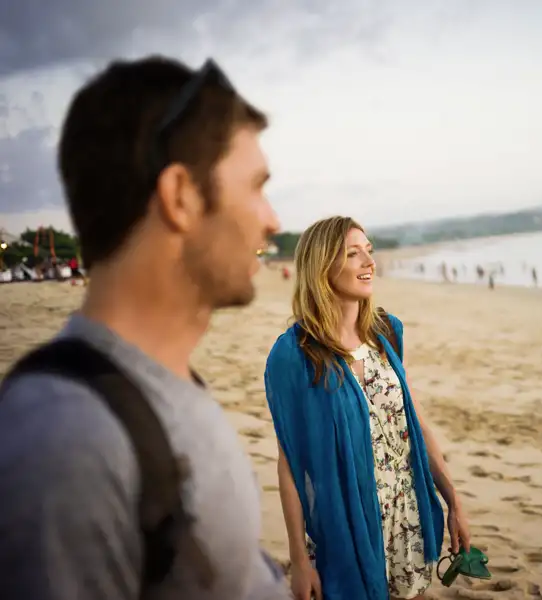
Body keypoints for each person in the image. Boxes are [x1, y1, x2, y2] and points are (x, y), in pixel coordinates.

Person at [0, 56, 289, 599]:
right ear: (180, 196)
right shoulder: (66, 443)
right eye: (255, 186)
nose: (271, 219)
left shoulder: (163, 385)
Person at [264, 216, 471, 600]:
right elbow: (289, 462)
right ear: (322, 266)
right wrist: (299, 559)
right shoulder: (295, 355)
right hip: (344, 527)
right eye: (352, 253)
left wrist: (453, 500)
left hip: (407, 517)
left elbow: (414, 422)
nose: (368, 262)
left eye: (369, 251)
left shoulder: (386, 331)